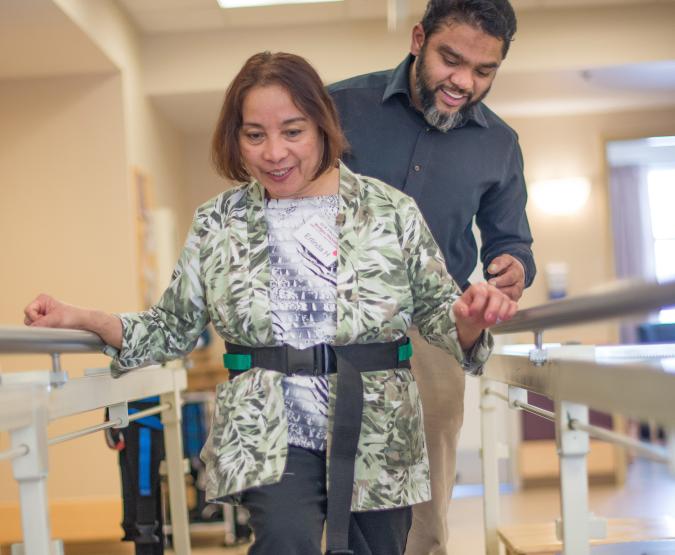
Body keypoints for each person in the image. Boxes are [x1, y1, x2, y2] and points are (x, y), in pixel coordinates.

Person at [24, 51, 517, 555]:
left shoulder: (390, 210)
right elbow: (172, 325)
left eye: (293, 131)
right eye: (255, 134)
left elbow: (440, 314)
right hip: (268, 425)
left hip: (379, 426)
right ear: (235, 138)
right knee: (287, 538)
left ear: (323, 126)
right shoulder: (219, 222)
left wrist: (470, 321)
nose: (274, 152)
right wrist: (85, 319)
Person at [327, 1, 535, 553]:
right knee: (325, 497)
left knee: (424, 510)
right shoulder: (337, 106)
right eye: (452, 59)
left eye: (484, 71)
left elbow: (511, 241)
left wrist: (513, 267)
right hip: (330, 325)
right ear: (418, 39)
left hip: (432, 333)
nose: (464, 82)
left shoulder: (499, 144)